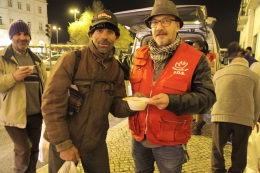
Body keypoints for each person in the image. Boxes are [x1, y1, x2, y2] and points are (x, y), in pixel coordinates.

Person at [41, 10, 136, 173]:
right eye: (99, 30)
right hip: (64, 141)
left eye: (110, 31)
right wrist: (64, 145)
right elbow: (51, 105)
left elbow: (116, 107)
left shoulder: (117, 70)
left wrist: (132, 105)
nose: (104, 36)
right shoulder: (72, 60)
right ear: (91, 34)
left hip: (95, 143)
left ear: (117, 37)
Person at [128, 0, 216, 172]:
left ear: (177, 25)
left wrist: (172, 101)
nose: (159, 27)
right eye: (154, 22)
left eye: (165, 21)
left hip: (170, 142)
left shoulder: (195, 58)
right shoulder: (140, 55)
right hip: (139, 137)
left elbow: (207, 99)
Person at [0, 20, 47, 173]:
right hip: (13, 115)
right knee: (23, 148)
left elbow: (45, 86)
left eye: (26, 34)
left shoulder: (37, 60)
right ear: (11, 36)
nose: (22, 37)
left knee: (33, 150)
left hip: (35, 114)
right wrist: (13, 77)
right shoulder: (2, 57)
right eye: (18, 34)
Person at [210, 43, 260, 173]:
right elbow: (257, 101)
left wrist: (213, 113)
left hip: (220, 115)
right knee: (240, 150)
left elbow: (212, 95)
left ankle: (217, 170)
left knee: (217, 149)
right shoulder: (254, 77)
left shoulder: (219, 74)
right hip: (244, 119)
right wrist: (254, 121)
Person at [191, 40, 210, 135]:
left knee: (199, 104)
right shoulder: (195, 57)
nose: (193, 48)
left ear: (201, 48)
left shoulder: (203, 58)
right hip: (194, 82)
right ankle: (196, 121)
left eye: (195, 46)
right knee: (195, 104)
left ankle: (197, 125)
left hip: (200, 83)